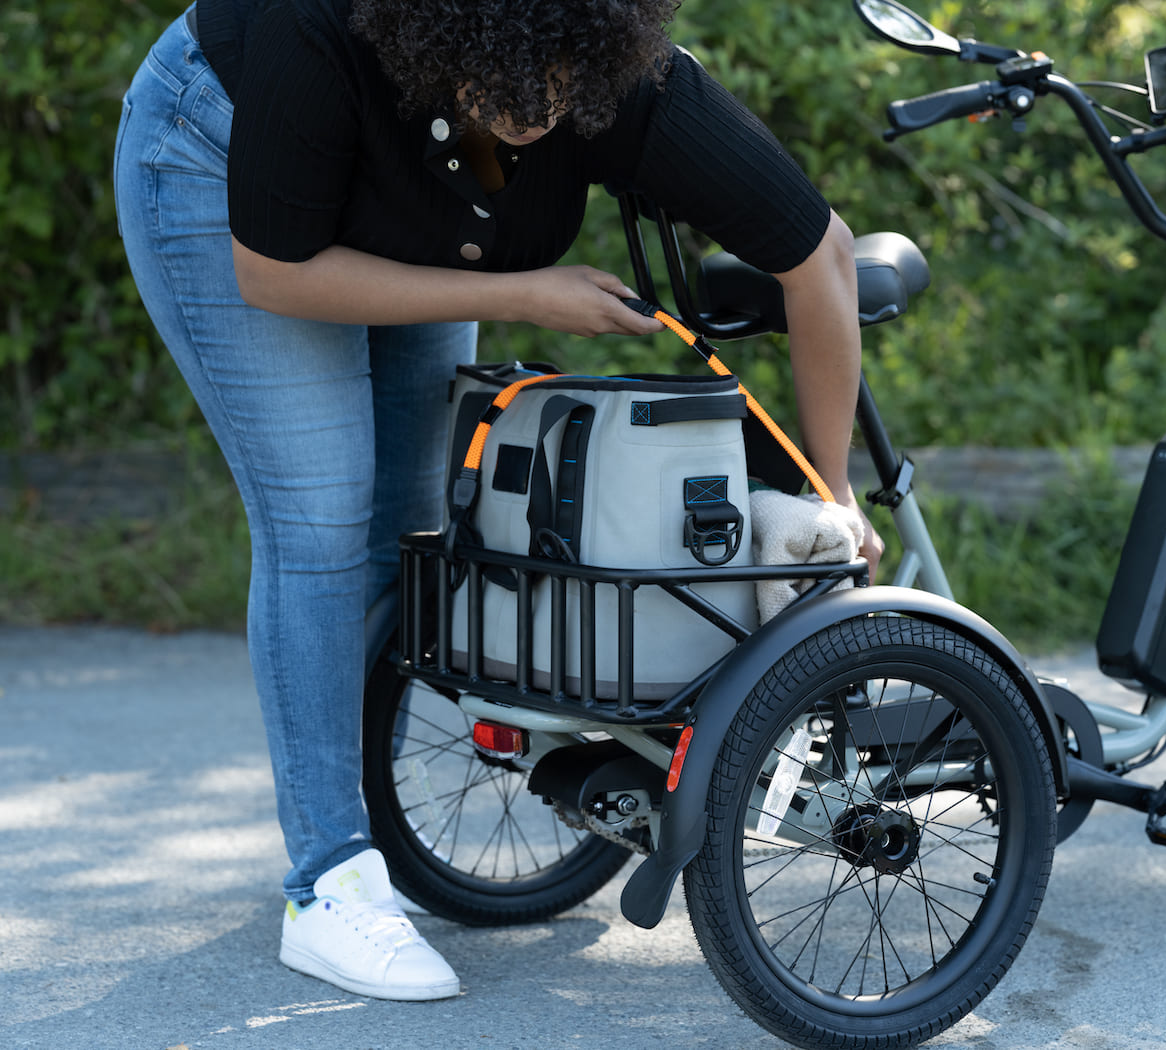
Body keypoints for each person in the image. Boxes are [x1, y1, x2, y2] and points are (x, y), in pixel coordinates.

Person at [114, 0, 884, 1003]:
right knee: (319, 523)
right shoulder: (319, 23)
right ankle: (329, 885)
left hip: (417, 213)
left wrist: (827, 498)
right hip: (224, 162)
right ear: (446, 41)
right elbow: (277, 272)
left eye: (557, 96)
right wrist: (519, 295)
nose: (530, 120)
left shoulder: (618, 70)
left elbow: (815, 254)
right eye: (503, 96)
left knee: (409, 529)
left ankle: (356, 831)